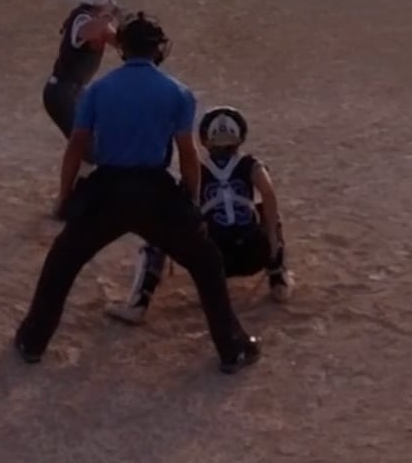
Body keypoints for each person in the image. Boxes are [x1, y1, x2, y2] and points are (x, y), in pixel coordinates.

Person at [14, 13, 262, 374]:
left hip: (106, 190)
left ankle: (32, 341)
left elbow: (76, 147)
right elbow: (187, 154)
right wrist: (190, 202)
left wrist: (65, 195)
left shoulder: (98, 90)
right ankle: (232, 348)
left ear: (123, 49)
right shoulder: (177, 92)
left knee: (62, 262)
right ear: (157, 49)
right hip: (155, 192)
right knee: (207, 263)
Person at [106, 105, 293, 326]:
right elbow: (268, 193)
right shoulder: (251, 165)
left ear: (205, 139)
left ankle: (139, 303)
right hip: (253, 255)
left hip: (213, 261)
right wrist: (272, 239)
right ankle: (278, 278)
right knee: (268, 212)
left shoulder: (197, 169)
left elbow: (180, 207)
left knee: (156, 236)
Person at [41, 0, 121, 140]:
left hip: (77, 91)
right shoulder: (81, 17)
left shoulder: (98, 21)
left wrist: (126, 23)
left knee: (97, 137)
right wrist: (108, 16)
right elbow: (87, 32)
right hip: (61, 92)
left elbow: (121, 44)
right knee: (84, 143)